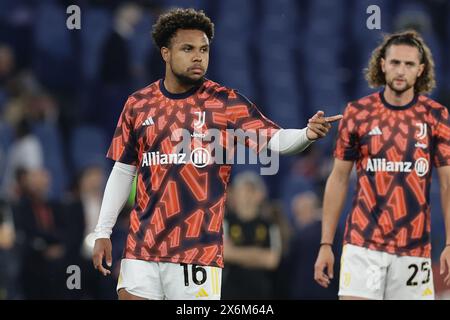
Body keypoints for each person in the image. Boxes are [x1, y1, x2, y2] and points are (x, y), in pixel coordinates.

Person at [92, 8, 341, 300]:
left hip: (197, 251)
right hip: (141, 248)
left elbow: (276, 140)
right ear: (165, 53)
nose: (198, 56)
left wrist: (306, 134)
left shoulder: (225, 103)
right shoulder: (138, 104)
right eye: (187, 49)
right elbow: (123, 170)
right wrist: (102, 231)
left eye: (204, 49)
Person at [314, 30, 450, 300]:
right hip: (362, 243)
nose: (401, 70)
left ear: (420, 70)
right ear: (382, 64)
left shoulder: (436, 116)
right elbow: (338, 178)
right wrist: (326, 244)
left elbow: (448, 183)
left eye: (409, 64)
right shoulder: (358, 113)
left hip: (414, 248)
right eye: (395, 62)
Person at [222, 171, 281, 299]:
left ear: (260, 195)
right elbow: (224, 254)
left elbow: (272, 260)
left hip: (261, 294)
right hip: (230, 294)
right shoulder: (225, 222)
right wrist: (258, 255)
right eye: (242, 190)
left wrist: (236, 254)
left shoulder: (269, 225)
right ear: (234, 195)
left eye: (251, 190)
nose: (246, 196)